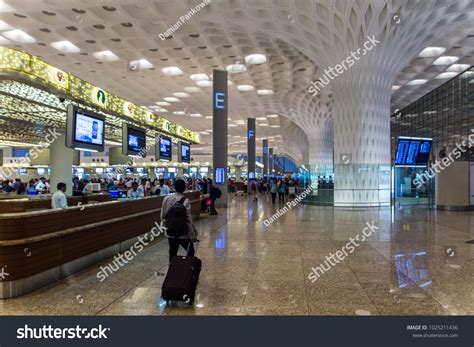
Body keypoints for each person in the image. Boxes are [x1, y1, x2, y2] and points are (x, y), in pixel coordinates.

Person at [161, 179, 197, 262]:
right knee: (190, 251)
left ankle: (172, 270)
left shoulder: (166, 199)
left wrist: (166, 228)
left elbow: (163, 216)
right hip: (183, 233)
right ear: (184, 188)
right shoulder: (186, 201)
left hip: (171, 232)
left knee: (173, 252)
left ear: (174, 187)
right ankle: (187, 270)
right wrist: (193, 235)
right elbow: (188, 220)